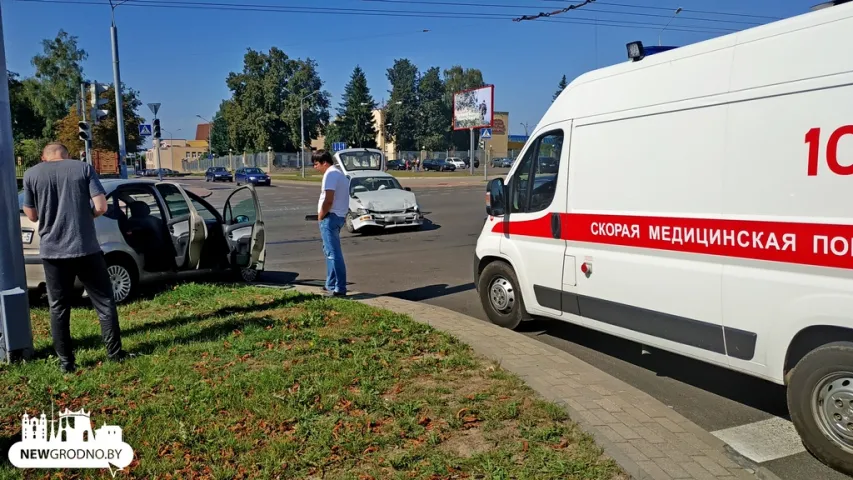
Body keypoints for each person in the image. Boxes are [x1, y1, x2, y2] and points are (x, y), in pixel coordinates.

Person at [22, 142, 128, 373]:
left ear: (44, 157)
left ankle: (66, 362)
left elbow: (31, 215)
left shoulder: (31, 174)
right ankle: (114, 354)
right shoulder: (83, 169)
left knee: (58, 307)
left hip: (52, 252)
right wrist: (85, 215)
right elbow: (100, 206)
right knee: (103, 302)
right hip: (86, 248)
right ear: (66, 154)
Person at [312, 150, 350, 296]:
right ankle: (330, 284)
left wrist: (321, 215)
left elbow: (329, 199)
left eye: (316, 164)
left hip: (330, 217)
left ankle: (339, 288)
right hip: (338, 216)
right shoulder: (339, 174)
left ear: (325, 163)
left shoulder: (330, 174)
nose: (315, 168)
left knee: (334, 254)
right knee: (330, 253)